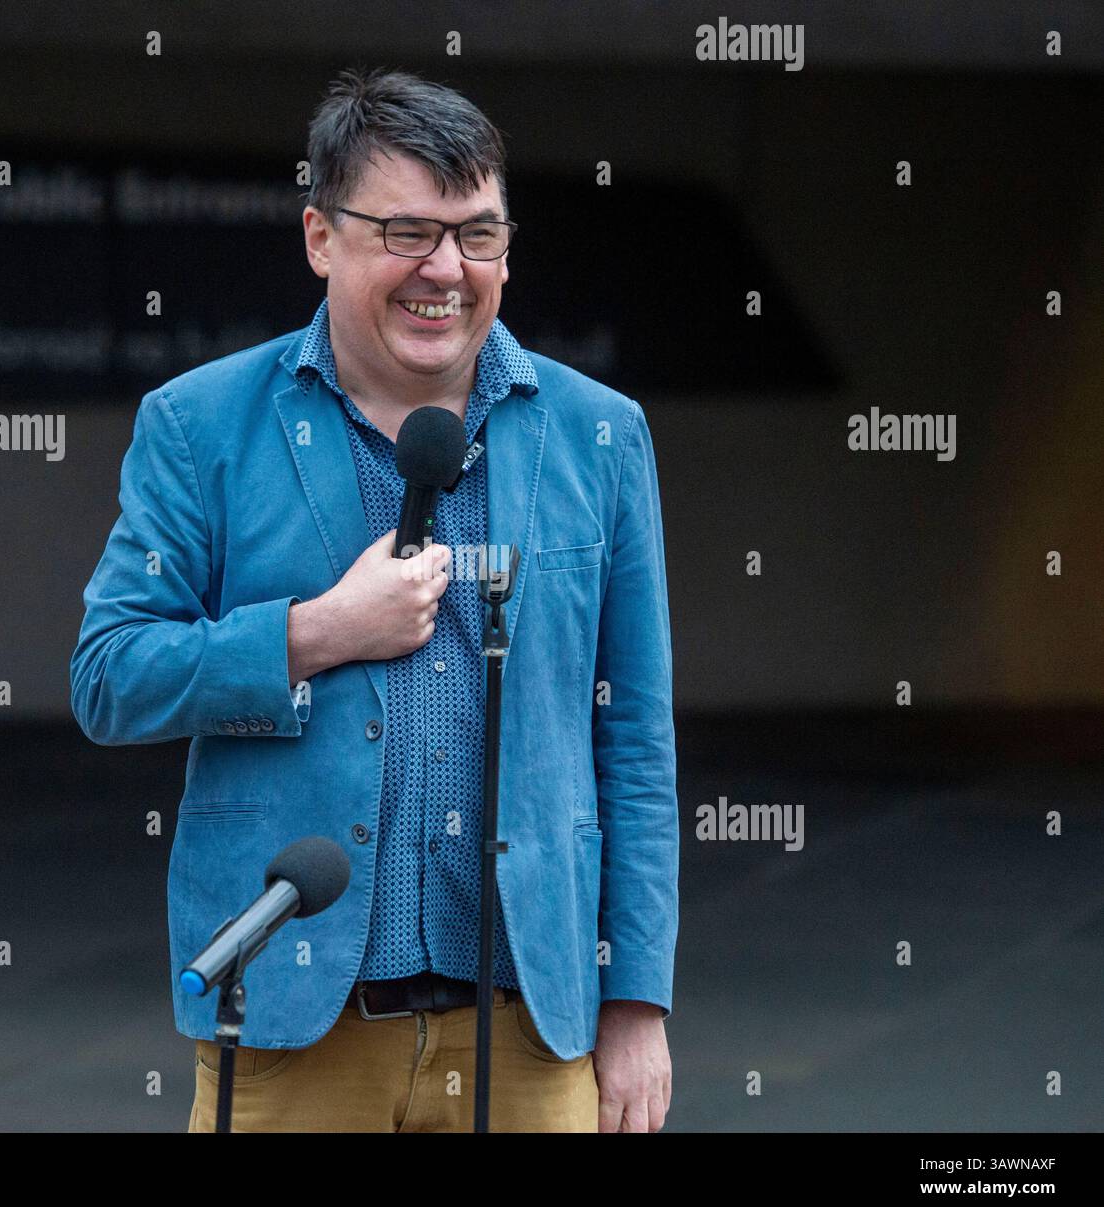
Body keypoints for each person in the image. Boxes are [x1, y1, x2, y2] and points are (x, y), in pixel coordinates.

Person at [70, 66, 679, 1133]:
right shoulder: (201, 425)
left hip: (530, 1031)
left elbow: (632, 739)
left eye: (477, 234)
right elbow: (110, 675)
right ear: (319, 237)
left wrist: (635, 1000)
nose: (445, 269)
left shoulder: (601, 434)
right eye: (405, 232)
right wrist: (315, 634)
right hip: (297, 1024)